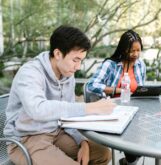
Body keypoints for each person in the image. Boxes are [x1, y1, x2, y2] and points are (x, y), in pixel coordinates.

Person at [4, 25, 116, 165]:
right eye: (75, 60)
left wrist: (82, 141)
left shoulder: (67, 74)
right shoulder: (30, 73)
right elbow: (37, 109)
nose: (78, 66)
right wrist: (89, 108)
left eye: (81, 60)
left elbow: (67, 115)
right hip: (26, 138)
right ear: (58, 54)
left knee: (102, 153)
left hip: (56, 132)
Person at [87, 30, 146, 165]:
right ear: (123, 49)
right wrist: (118, 90)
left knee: (143, 141)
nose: (136, 54)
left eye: (138, 50)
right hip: (114, 109)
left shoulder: (140, 65)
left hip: (135, 109)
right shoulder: (111, 65)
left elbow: (141, 87)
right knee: (133, 145)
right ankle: (128, 161)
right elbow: (91, 85)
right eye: (132, 51)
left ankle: (128, 160)